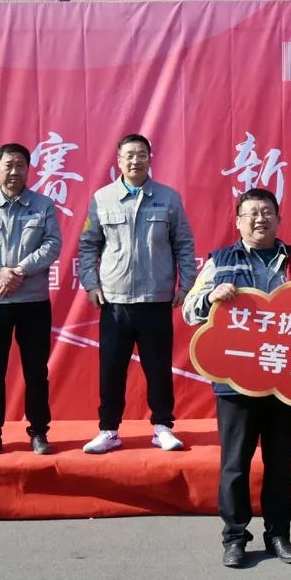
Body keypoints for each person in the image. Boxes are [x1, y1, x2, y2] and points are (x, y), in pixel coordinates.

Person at [183, 188, 291, 568]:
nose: (260, 219)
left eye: (267, 212)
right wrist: (211, 298)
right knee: (235, 465)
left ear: (279, 219)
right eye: (252, 213)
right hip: (235, 381)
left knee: (280, 465)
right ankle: (235, 538)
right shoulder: (219, 261)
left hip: (285, 379)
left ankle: (279, 535)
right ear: (238, 221)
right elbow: (189, 310)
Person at [78, 134, 196, 454]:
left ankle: (163, 428)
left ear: (149, 158)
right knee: (111, 370)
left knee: (158, 369)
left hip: (155, 299)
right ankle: (109, 430)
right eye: (129, 155)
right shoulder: (103, 198)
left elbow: (184, 244)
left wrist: (186, 285)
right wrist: (90, 283)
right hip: (115, 301)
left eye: (141, 154)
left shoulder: (168, 198)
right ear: (118, 160)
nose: (135, 160)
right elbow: (88, 245)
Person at [0, 143, 62, 456]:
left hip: (33, 302)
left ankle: (39, 432)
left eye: (20, 165)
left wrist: (19, 271)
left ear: (28, 169)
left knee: (36, 371)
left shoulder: (43, 205)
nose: (14, 171)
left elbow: (52, 244)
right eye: (8, 165)